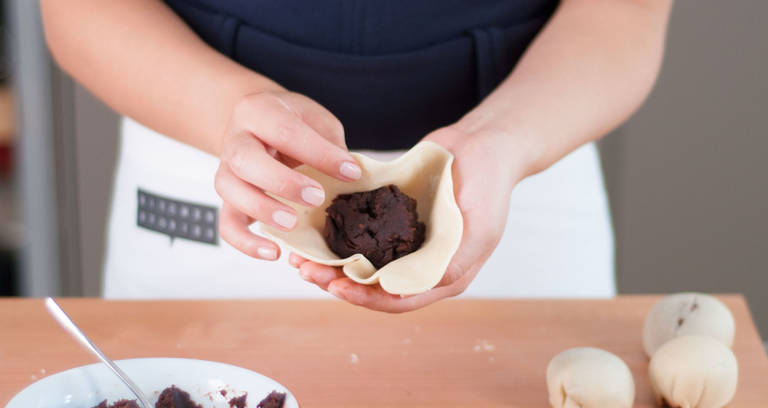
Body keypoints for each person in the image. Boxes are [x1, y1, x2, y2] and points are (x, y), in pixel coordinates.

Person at [40, 0, 672, 312]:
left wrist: (505, 141)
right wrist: (230, 107)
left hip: (515, 164)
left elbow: (620, 13)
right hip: (218, 160)